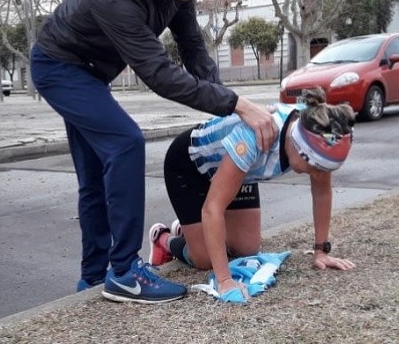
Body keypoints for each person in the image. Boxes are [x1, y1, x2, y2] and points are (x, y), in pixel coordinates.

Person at [29, 0, 276, 304]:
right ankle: (124, 272)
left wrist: (227, 113)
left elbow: (193, 50)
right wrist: (239, 104)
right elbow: (159, 74)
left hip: (91, 75)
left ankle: (93, 278)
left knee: (94, 176)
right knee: (126, 143)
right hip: (59, 68)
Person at [149, 87, 357, 304]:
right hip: (189, 166)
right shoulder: (253, 139)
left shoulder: (316, 124)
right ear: (297, 145)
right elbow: (213, 208)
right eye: (314, 167)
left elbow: (322, 192)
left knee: (246, 249)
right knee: (205, 259)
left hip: (238, 170)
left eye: (325, 169)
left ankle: (190, 230)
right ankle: (164, 239)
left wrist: (321, 251)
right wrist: (224, 280)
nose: (318, 175)